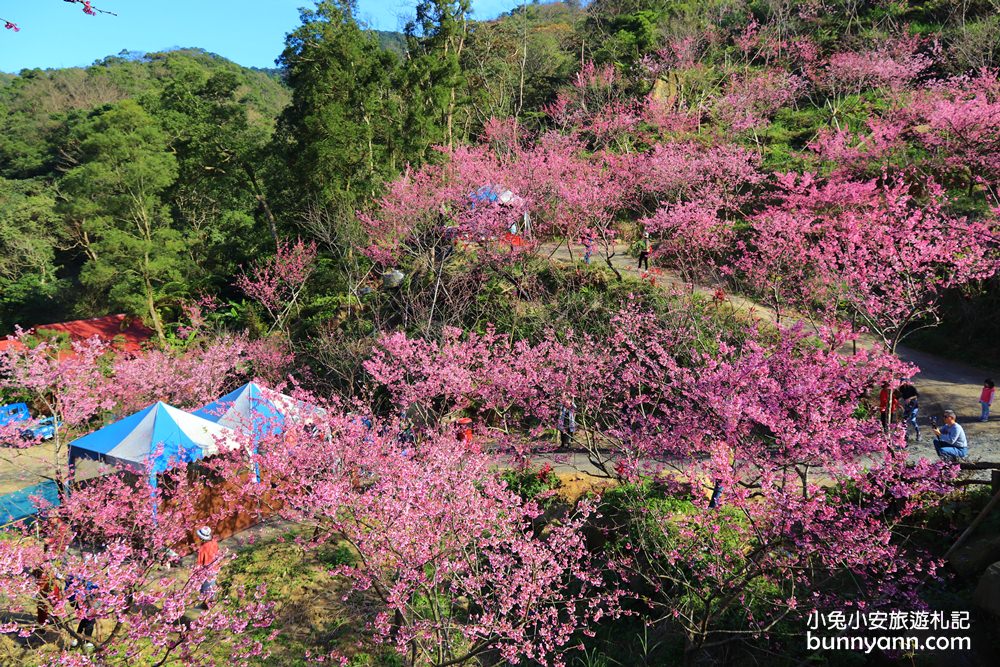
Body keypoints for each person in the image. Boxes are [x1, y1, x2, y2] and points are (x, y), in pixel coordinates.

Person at [196, 526, 219, 604]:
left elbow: (200, 562)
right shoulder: (214, 542)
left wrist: (197, 572)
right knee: (212, 586)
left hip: (206, 570)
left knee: (205, 588)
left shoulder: (203, 548)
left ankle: (206, 604)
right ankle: (212, 601)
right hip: (215, 567)